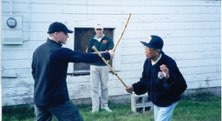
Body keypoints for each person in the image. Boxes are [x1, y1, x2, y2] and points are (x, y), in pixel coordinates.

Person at [31, 22, 114, 121]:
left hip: (39, 98)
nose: (68, 36)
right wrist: (106, 55)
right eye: (65, 33)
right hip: (57, 100)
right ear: (56, 34)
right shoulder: (59, 51)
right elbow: (82, 57)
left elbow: (34, 73)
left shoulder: (38, 50)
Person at [126, 35, 187, 121]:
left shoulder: (169, 63)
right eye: (145, 47)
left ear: (157, 51)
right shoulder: (148, 62)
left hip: (168, 100)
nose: (145, 51)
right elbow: (145, 81)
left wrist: (168, 77)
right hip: (157, 99)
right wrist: (133, 87)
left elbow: (182, 85)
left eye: (148, 48)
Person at [87, 24, 114, 113]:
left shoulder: (108, 40)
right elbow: (88, 53)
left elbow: (110, 53)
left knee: (104, 87)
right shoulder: (91, 40)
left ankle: (104, 106)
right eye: (97, 29)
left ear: (103, 30)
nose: (99, 31)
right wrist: (103, 53)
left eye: (100, 29)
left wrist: (106, 53)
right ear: (95, 30)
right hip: (94, 66)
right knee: (94, 87)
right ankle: (95, 108)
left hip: (105, 66)